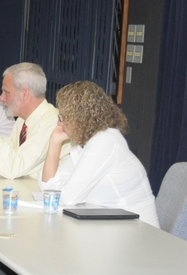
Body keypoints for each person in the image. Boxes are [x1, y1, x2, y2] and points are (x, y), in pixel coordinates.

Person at [41, 80, 159, 226]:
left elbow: (66, 199)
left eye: (63, 118)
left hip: (138, 234)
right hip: (113, 227)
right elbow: (49, 192)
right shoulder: (84, 143)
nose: (60, 123)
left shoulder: (105, 142)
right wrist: (54, 142)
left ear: (79, 119)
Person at [0, 62, 70, 180]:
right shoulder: (23, 119)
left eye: (6, 92)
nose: (1, 98)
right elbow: (11, 154)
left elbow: (12, 169)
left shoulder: (52, 123)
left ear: (24, 94)